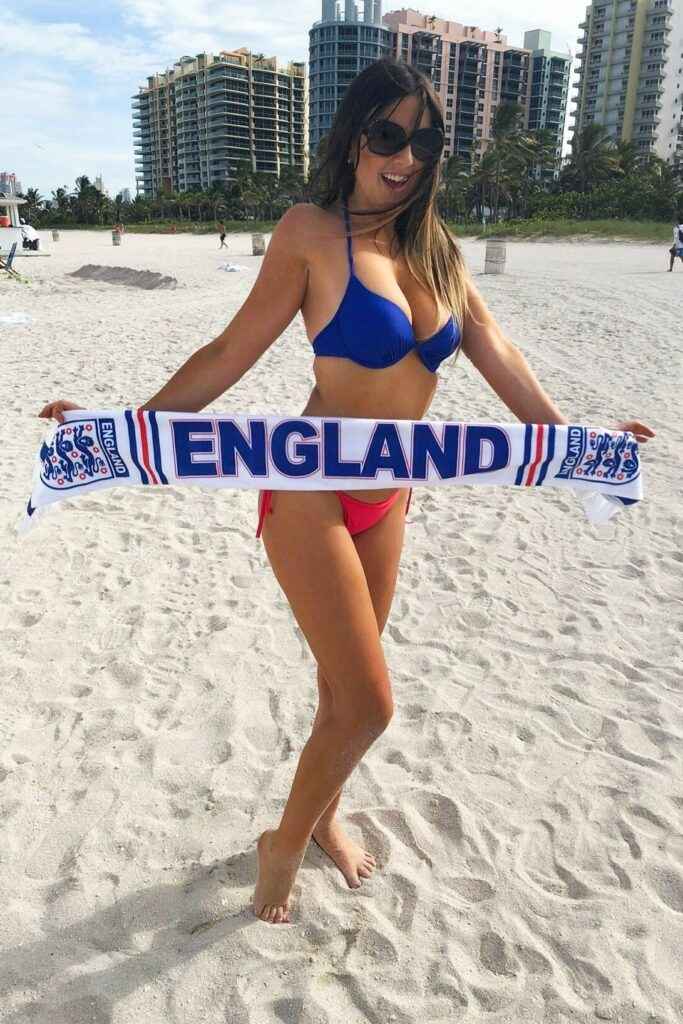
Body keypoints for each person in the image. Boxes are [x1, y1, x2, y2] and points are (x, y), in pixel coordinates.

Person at [38, 57, 655, 926]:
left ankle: (325, 816)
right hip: (310, 492)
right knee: (370, 702)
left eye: (423, 142)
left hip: (390, 494)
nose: (403, 158)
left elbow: (497, 352)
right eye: (387, 135)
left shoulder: (436, 248)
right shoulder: (308, 232)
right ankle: (283, 842)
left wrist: (576, 444)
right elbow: (228, 353)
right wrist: (123, 431)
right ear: (354, 137)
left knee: (340, 692)